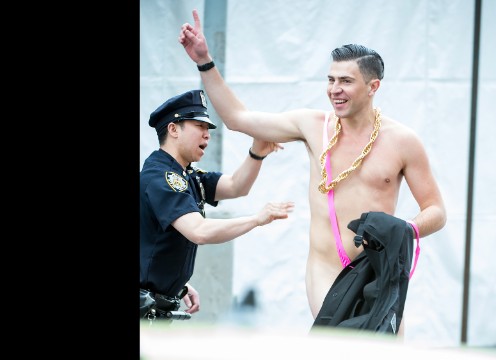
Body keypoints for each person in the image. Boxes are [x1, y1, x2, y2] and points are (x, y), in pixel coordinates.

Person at [178, 9, 446, 336]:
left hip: (380, 269)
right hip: (327, 270)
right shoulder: (312, 126)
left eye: (346, 81)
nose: (335, 89)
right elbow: (237, 118)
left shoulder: (403, 141)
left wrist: (401, 228)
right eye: (331, 80)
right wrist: (204, 61)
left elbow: (436, 211)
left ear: (373, 85)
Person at [140, 89, 295, 323]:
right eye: (199, 127)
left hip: (156, 308)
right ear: (173, 129)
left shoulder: (186, 175)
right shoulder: (161, 177)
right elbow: (199, 231)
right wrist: (256, 219)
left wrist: (257, 153)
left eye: (208, 129)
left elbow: (235, 186)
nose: (207, 135)